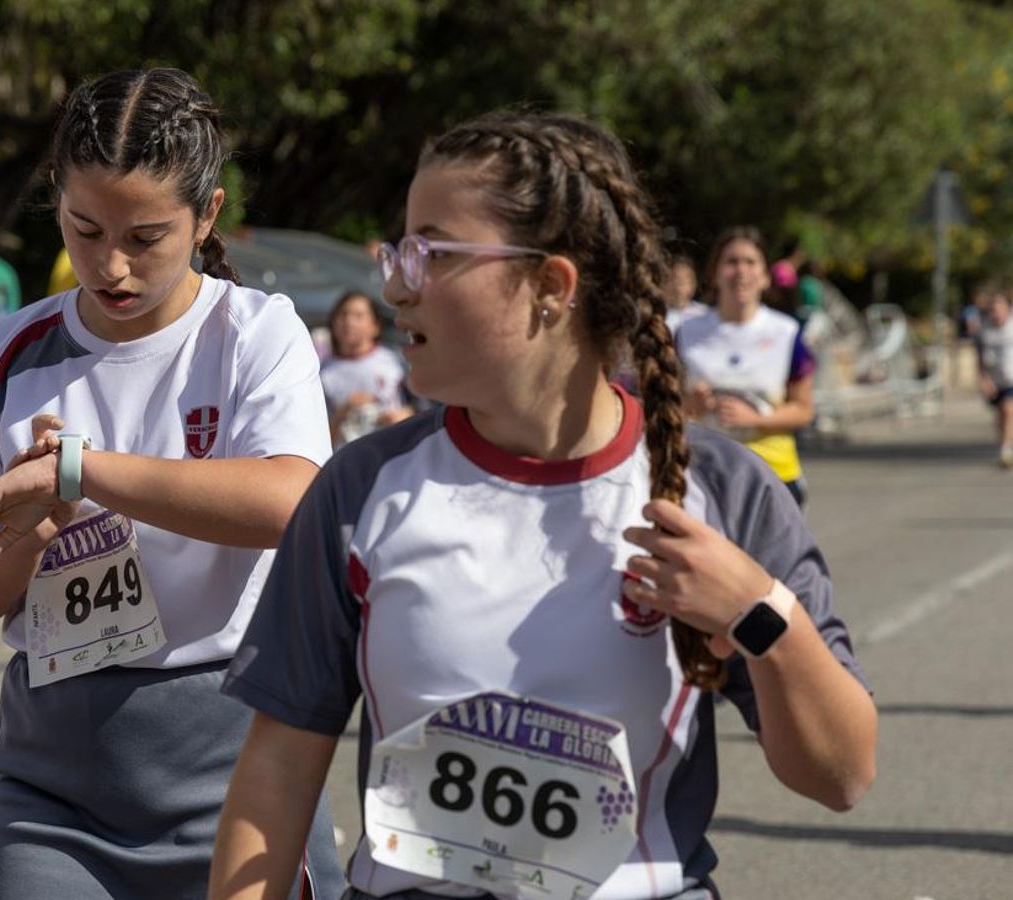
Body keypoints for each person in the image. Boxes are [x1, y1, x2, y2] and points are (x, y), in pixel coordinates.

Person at [211, 112, 875, 900]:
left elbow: (842, 776)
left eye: (433, 253)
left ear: (551, 287)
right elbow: (275, 775)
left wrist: (758, 616)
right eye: (400, 252)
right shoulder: (362, 489)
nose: (395, 285)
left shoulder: (718, 492)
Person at [0, 68, 344, 900]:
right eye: (85, 229)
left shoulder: (253, 332)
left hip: (238, 769)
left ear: (208, 214)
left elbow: (291, 503)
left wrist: (82, 469)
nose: (111, 266)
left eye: (146, 237)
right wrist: (36, 527)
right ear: (57, 201)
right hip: (52, 789)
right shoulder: (8, 354)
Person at [675, 227, 818, 507]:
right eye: (731, 262)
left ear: (765, 277)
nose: (741, 271)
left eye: (750, 262)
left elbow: (804, 409)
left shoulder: (785, 332)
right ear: (714, 274)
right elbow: (667, 406)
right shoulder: (686, 332)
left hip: (773, 475)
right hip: (705, 473)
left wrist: (756, 420)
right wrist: (690, 405)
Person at [320, 289, 415, 446]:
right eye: (343, 315)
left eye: (358, 316)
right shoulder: (323, 373)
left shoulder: (396, 360)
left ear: (375, 325)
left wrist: (404, 416)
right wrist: (344, 412)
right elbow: (317, 438)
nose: (349, 322)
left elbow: (424, 408)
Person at [974, 290, 1013, 468]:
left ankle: (1006, 450)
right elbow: (980, 359)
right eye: (993, 310)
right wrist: (983, 380)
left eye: (999, 310)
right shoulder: (984, 331)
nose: (996, 314)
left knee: (1007, 409)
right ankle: (1005, 445)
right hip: (995, 380)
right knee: (1001, 415)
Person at [664, 254, 705, 332]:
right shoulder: (657, 316)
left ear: (693, 284)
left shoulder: (704, 315)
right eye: (671, 280)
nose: (676, 286)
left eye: (681, 282)